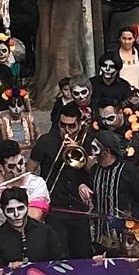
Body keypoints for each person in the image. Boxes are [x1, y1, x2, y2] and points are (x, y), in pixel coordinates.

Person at [29, 103, 94, 259]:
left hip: (79, 207)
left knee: (83, 253)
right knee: (59, 253)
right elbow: (29, 171)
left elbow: (95, 170)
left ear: (79, 124)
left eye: (71, 126)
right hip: (55, 207)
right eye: (63, 125)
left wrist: (79, 150)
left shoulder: (87, 141)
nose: (66, 130)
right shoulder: (46, 141)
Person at [89, 130, 139, 251]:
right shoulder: (95, 170)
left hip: (127, 236)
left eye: (95, 149)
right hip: (101, 236)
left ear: (106, 151)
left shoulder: (128, 170)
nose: (93, 153)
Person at [96, 101, 139, 175]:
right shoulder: (100, 130)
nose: (106, 123)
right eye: (103, 119)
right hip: (113, 176)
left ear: (120, 113)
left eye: (110, 118)